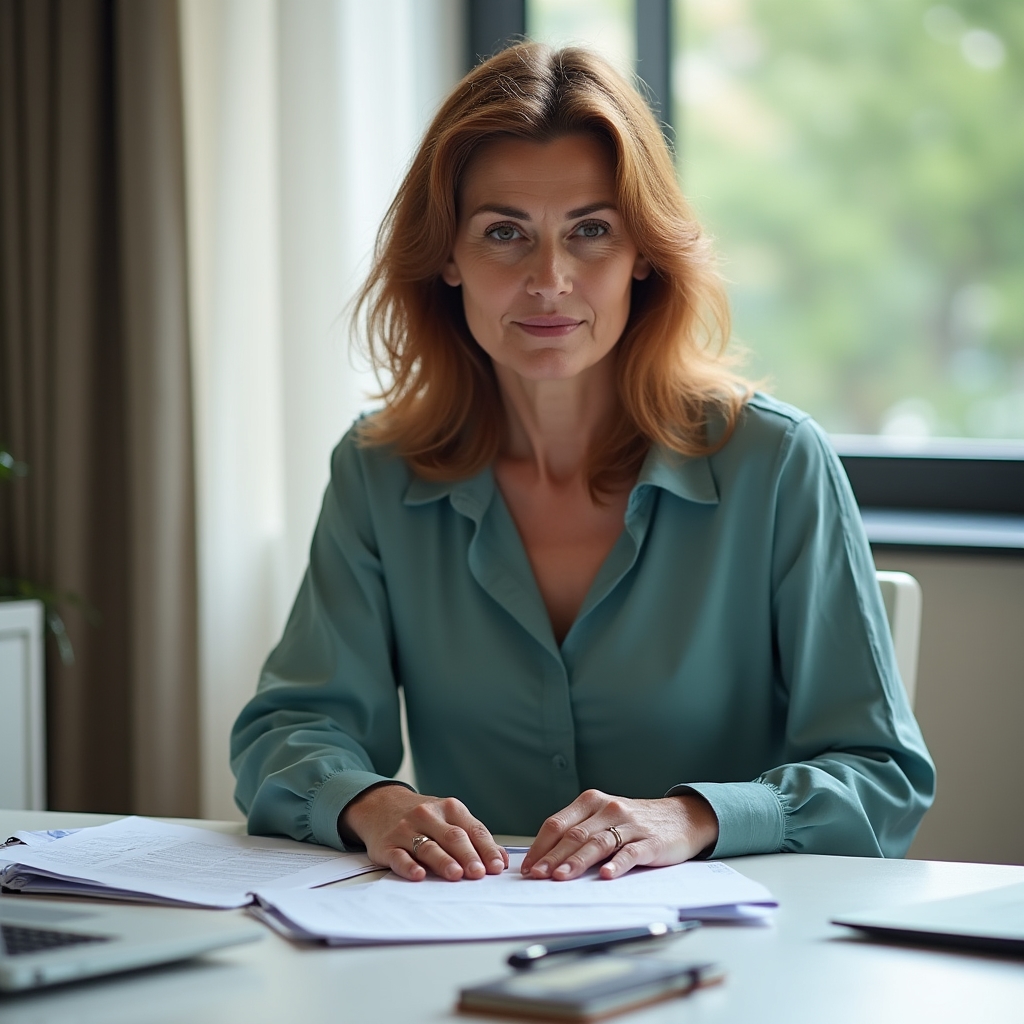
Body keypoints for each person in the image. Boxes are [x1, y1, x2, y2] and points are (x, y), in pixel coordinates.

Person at [230, 43, 934, 884]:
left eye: (591, 230)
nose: (550, 279)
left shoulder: (777, 464)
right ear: (448, 258)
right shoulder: (379, 471)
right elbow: (290, 726)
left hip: (735, 964)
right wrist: (375, 805)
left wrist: (691, 817)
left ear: (644, 251)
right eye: (504, 233)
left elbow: (881, 777)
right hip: (458, 948)